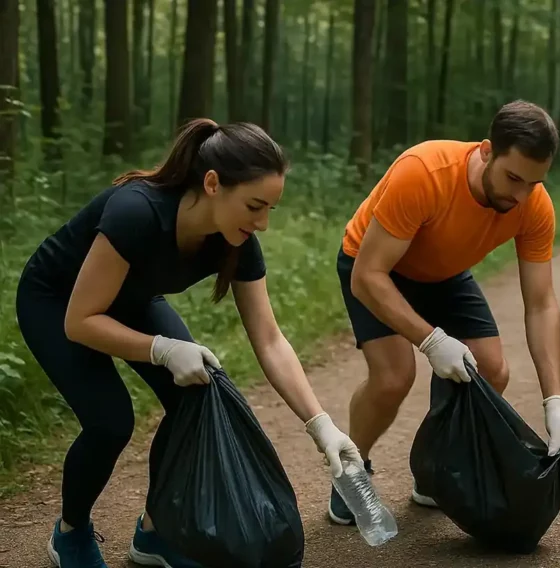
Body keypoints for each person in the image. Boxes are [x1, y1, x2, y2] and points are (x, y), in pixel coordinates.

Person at [16, 119, 362, 568]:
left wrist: (322, 426)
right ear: (213, 183)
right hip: (58, 300)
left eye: (270, 209)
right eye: (255, 205)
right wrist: (162, 348)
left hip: (133, 298)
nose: (263, 223)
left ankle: (157, 530)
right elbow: (81, 322)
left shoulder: (237, 240)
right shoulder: (137, 211)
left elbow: (270, 339)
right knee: (110, 421)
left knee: (194, 396)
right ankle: (71, 532)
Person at [327, 99, 560, 526]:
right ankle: (351, 472)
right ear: (487, 150)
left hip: (444, 273)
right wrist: (431, 341)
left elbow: (541, 304)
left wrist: (555, 401)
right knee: (394, 378)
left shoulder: (534, 205)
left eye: (534, 183)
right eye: (513, 178)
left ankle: (435, 468)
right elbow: (367, 277)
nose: (520, 195)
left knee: (489, 370)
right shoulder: (424, 172)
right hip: (376, 266)